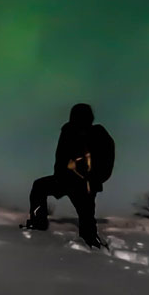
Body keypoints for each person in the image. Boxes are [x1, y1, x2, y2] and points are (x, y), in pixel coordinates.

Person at [25, 103, 115, 248]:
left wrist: (93, 179)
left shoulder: (97, 134)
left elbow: (106, 161)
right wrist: (63, 172)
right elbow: (61, 158)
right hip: (66, 180)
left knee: (86, 219)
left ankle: (92, 244)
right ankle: (38, 224)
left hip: (84, 183)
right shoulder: (68, 131)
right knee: (39, 187)